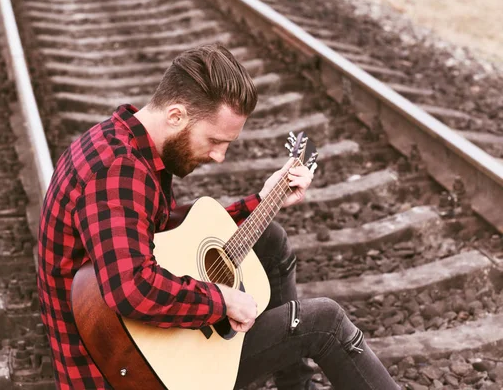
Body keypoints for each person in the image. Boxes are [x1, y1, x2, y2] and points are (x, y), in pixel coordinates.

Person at [37, 43, 400, 390]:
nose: (219, 156)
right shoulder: (118, 171)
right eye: (214, 141)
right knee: (326, 322)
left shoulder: (129, 143)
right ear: (176, 114)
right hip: (133, 369)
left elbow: (171, 244)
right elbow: (132, 288)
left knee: (269, 238)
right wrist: (223, 301)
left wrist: (266, 198)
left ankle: (297, 384)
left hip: (140, 342)